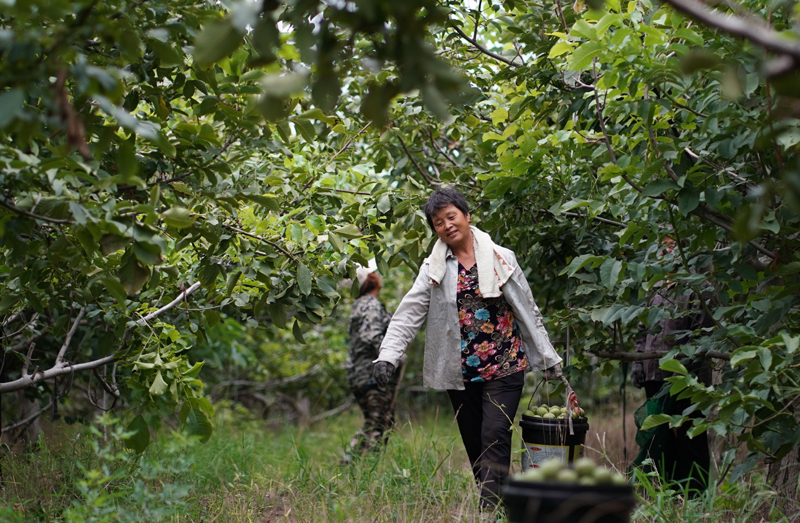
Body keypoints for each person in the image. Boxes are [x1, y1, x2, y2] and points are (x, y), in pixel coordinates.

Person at [372, 187, 563, 507]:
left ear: (466, 215)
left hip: (505, 363)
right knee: (475, 442)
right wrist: (388, 356)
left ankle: (491, 510)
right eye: (437, 222)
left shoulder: (502, 257)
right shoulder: (433, 269)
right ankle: (502, 497)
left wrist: (547, 357)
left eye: (451, 216)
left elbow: (527, 309)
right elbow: (409, 313)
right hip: (459, 371)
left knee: (495, 434)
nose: (446, 225)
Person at [630, 239, 713, 494]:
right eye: (664, 248)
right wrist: (638, 363)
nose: (668, 253)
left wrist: (687, 373)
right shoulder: (655, 289)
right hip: (655, 376)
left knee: (690, 437)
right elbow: (643, 330)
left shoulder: (699, 288)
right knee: (658, 437)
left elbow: (704, 336)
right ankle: (662, 491)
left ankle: (695, 496)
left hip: (687, 380)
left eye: (673, 247)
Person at [342, 260, 401, 463]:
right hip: (372, 375)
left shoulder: (359, 304)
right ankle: (355, 463)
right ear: (372, 279)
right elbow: (371, 336)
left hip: (358, 373)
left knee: (379, 421)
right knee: (379, 422)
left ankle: (365, 465)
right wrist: (391, 357)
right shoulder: (370, 305)